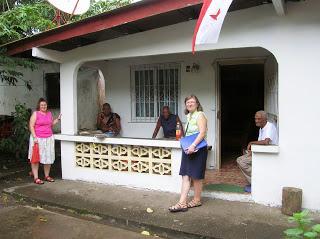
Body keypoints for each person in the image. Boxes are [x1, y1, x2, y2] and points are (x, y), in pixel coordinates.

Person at [169, 95, 208, 212]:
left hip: (197, 149)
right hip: (188, 149)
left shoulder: (200, 115)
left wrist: (193, 145)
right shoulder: (189, 115)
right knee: (185, 175)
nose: (189, 104)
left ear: (197, 104)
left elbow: (202, 133)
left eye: (192, 102)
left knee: (196, 176)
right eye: (187, 102)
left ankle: (196, 200)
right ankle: (182, 202)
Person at [237, 110, 278, 193]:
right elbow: (260, 143)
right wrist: (251, 152)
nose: (256, 121)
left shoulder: (270, 126)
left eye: (259, 119)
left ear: (265, 119)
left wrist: (251, 142)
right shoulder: (261, 128)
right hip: (261, 154)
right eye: (255, 119)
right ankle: (255, 181)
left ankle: (257, 181)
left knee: (242, 162)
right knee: (240, 160)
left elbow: (266, 142)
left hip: (268, 156)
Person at [28, 98, 61, 184]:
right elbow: (31, 126)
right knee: (36, 158)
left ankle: (47, 176)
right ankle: (36, 177)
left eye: (45, 105)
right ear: (39, 106)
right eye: (42, 105)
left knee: (48, 157)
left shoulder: (49, 114)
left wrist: (57, 120)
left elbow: (50, 124)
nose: (44, 106)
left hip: (48, 138)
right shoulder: (36, 114)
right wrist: (34, 137)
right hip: (37, 139)